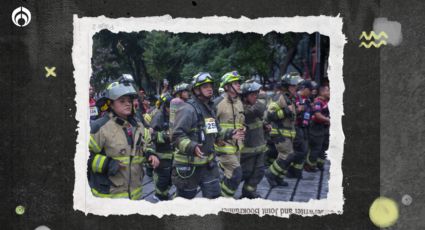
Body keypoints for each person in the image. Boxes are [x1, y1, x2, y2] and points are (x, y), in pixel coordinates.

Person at [88, 80, 160, 200]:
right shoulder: (100, 127)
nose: (128, 104)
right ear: (110, 104)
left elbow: (147, 143)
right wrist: (106, 164)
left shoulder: (137, 125)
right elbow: (83, 157)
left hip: (135, 192)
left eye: (129, 101)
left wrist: (150, 153)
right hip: (109, 195)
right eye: (122, 101)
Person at [171, 72, 221, 199]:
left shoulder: (209, 108)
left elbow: (212, 130)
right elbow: (176, 136)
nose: (210, 89)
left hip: (208, 166)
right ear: (196, 90)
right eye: (205, 86)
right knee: (185, 205)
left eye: (210, 86)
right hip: (189, 168)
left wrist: (230, 134)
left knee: (214, 199)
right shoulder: (188, 109)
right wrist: (192, 147)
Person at [264, 72, 301, 187]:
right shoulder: (278, 97)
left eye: (295, 86)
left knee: (288, 156)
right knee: (287, 155)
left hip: (288, 133)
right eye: (292, 86)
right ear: (286, 87)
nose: (295, 88)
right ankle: (270, 173)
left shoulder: (289, 98)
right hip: (280, 133)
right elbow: (270, 115)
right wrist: (286, 111)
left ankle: (279, 178)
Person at [214, 71, 246, 198]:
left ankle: (220, 195)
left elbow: (241, 120)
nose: (239, 85)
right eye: (235, 83)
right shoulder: (218, 102)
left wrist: (244, 128)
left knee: (231, 175)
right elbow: (209, 123)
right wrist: (217, 138)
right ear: (227, 86)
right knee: (236, 174)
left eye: (239, 83)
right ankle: (223, 201)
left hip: (237, 146)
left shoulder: (239, 101)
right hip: (223, 146)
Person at [239, 80, 268, 198]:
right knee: (246, 172)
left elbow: (260, 118)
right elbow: (259, 110)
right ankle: (224, 191)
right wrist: (262, 98)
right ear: (245, 97)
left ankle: (249, 192)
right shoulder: (242, 109)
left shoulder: (252, 106)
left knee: (259, 171)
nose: (255, 97)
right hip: (248, 150)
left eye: (256, 94)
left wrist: (265, 125)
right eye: (252, 94)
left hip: (260, 146)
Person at [150, 94, 174, 201]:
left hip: (172, 152)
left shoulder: (174, 116)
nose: (172, 110)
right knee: (163, 176)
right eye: (170, 108)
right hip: (161, 152)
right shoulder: (158, 117)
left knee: (170, 176)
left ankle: (164, 194)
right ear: (165, 106)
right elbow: (151, 135)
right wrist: (165, 136)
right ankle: (159, 195)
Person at [305, 85, 330, 172]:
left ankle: (319, 164)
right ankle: (309, 166)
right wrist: (328, 120)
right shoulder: (318, 102)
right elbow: (317, 115)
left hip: (324, 128)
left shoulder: (326, 101)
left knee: (323, 146)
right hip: (316, 128)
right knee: (316, 147)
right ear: (322, 92)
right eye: (328, 90)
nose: (329, 92)